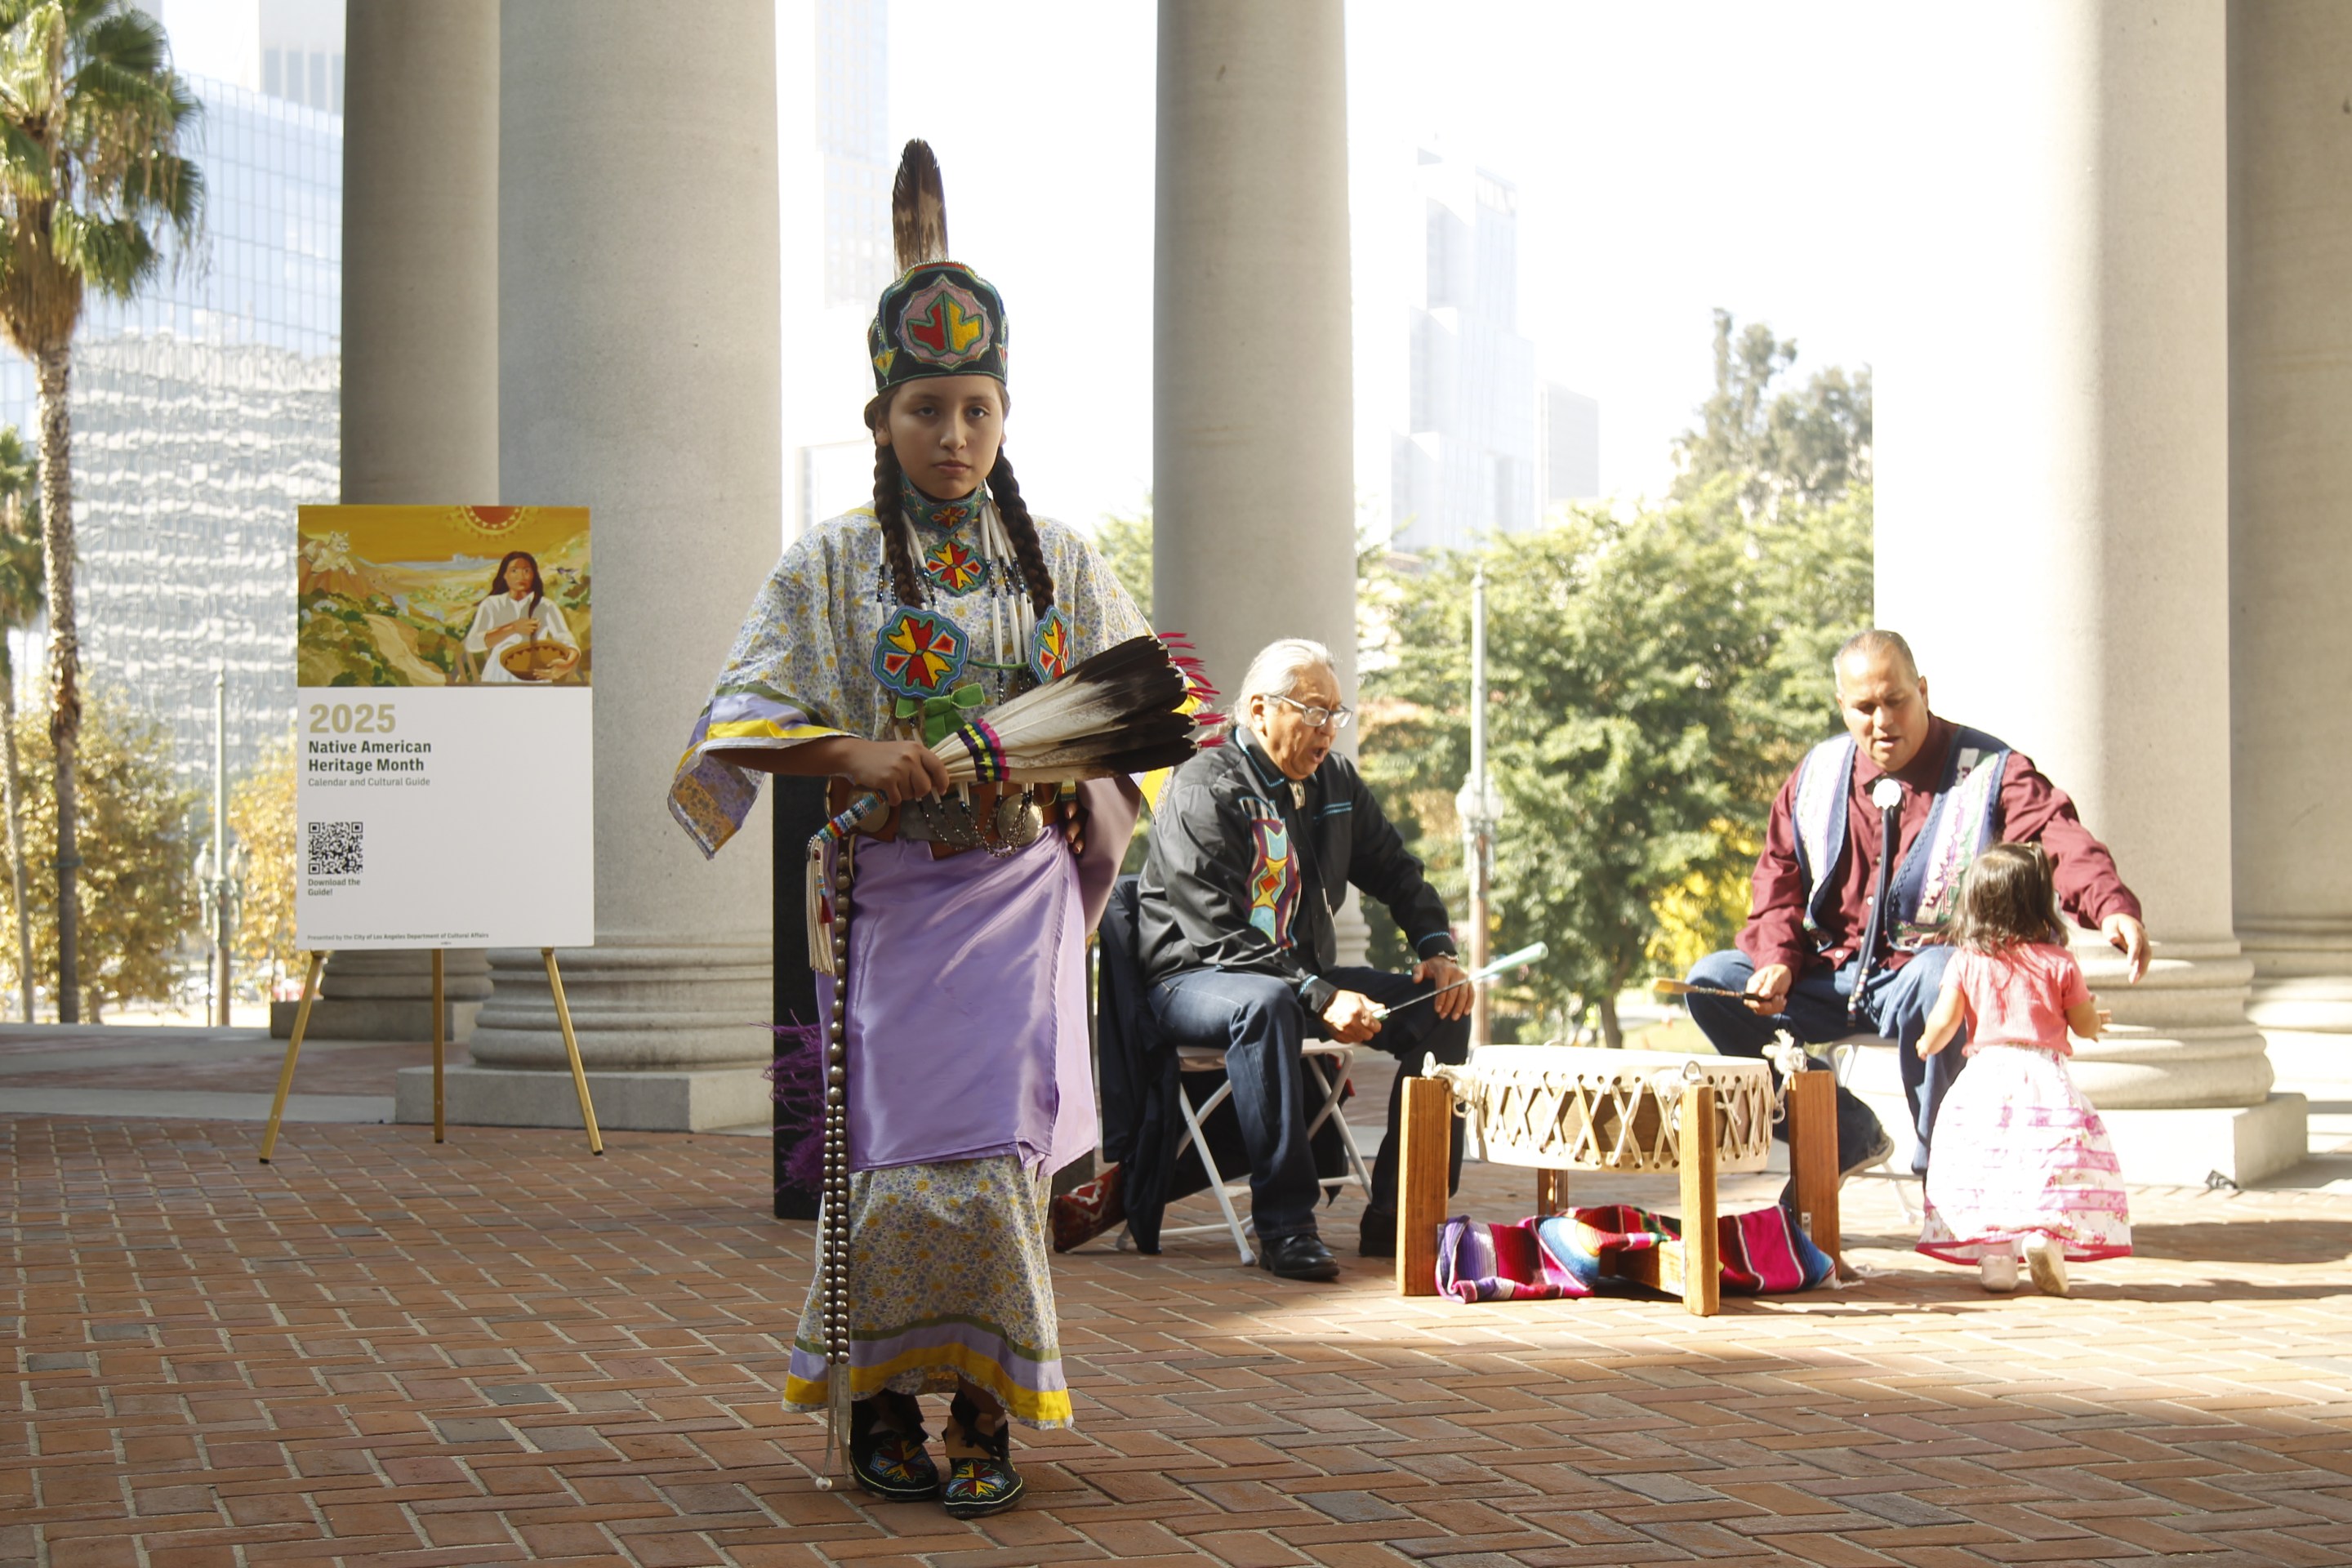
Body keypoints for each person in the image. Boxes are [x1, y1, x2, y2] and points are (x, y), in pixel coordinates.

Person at [668, 141, 1150, 1517]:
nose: (954, 435)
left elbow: (1138, 716)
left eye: (977, 408)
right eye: (928, 408)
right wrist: (860, 749)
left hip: (1014, 900)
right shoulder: (827, 565)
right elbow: (737, 721)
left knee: (996, 1159)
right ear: (882, 418)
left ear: (1006, 415)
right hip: (887, 899)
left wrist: (1082, 767)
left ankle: (988, 1413)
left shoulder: (1062, 559)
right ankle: (880, 1402)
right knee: (885, 1164)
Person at [1682, 629, 2147, 1176]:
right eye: (1864, 708)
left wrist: (2110, 905)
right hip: (1824, 974)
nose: (1882, 722)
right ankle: (1842, 1132)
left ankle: (1946, 1176)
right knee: (1713, 982)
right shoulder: (1816, 773)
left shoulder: (1990, 769)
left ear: (1922, 690)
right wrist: (1776, 961)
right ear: (1842, 707)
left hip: (1923, 976)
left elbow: (2056, 835)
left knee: (1946, 975)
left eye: (1896, 701)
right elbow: (1778, 878)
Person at [1137, 637, 1472, 1281]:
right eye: (1313, 712)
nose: (1327, 732)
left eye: (1336, 715)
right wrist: (1321, 996)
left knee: (1442, 1009)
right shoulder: (1202, 786)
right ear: (1260, 711)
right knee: (1265, 1005)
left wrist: (1437, 950)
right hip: (1200, 977)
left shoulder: (1333, 785)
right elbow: (1218, 934)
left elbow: (1399, 874)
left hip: (1298, 975)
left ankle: (1402, 1214)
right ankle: (1286, 1227)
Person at [1913, 843, 2132, 1295]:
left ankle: (1997, 1260)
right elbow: (2083, 1020)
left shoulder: (1967, 961)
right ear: (2039, 902)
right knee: (2045, 1163)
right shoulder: (2059, 963)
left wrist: (1926, 1043)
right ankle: (2042, 1234)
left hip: (1985, 1079)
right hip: (2042, 1080)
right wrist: (2094, 1024)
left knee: (1990, 1163)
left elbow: (1944, 1020)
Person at [462, 550, 578, 684]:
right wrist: (513, 628)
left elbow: (566, 639)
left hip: (536, 675)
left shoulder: (546, 606)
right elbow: (472, 644)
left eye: (527, 571)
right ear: (504, 575)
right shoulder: (492, 604)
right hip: (498, 675)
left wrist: (568, 664)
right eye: (514, 571)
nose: (521, 576)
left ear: (534, 575)